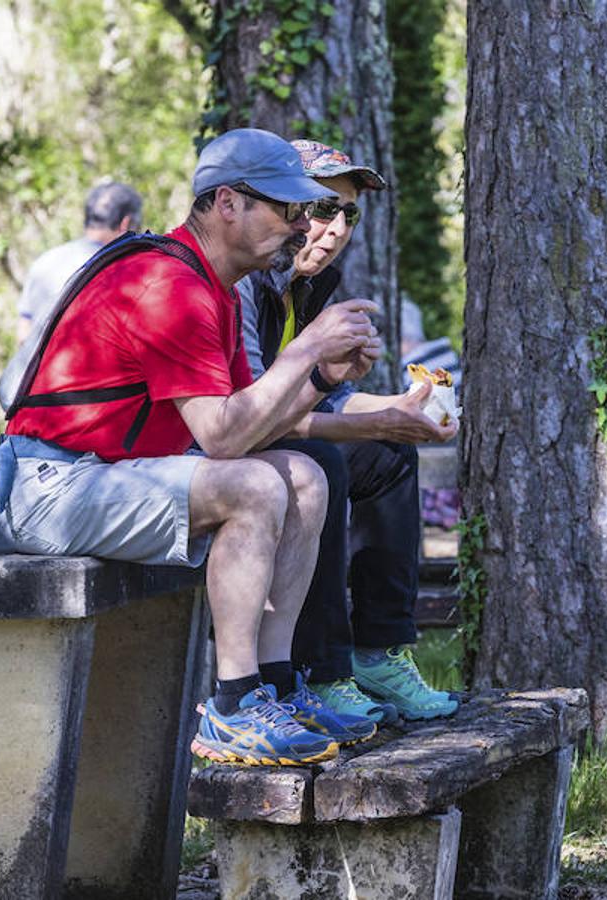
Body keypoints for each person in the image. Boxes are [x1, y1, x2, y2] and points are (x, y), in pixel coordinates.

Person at [0, 128, 384, 766]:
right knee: (256, 487)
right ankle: (231, 708)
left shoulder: (215, 287)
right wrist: (309, 346)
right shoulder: (168, 285)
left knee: (305, 478)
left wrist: (321, 379)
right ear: (227, 203)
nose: (299, 226)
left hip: (111, 473)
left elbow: (250, 425)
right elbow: (224, 437)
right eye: (287, 209)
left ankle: (276, 686)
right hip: (49, 485)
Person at [235, 139, 459, 723]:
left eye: (348, 213)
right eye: (319, 208)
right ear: (283, 207)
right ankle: (323, 671)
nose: (334, 228)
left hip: (263, 437)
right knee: (324, 463)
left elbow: (324, 396)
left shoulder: (310, 288)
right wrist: (368, 417)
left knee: (386, 454)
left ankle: (377, 652)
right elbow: (252, 417)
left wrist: (403, 410)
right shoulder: (245, 281)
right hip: (214, 451)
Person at [16, 182, 144, 342]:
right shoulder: (121, 271)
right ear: (126, 223)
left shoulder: (46, 260)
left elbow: (23, 333)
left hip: (29, 366)